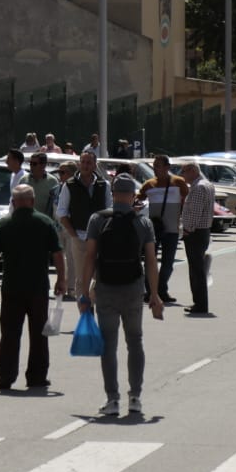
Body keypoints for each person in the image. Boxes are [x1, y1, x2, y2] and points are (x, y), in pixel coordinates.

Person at [77, 174, 163, 416]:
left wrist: (85, 292)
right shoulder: (143, 223)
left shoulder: (98, 219)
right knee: (135, 342)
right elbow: (151, 261)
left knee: (109, 345)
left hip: (106, 289)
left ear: (113, 194)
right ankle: (135, 397)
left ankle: (112, 400)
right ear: (133, 195)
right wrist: (155, 294)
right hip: (134, 289)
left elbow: (90, 256)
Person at [0, 185, 65, 390]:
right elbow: (57, 255)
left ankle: (6, 377)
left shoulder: (4, 224)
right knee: (38, 334)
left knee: (9, 333)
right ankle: (36, 376)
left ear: (13, 202)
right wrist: (61, 280)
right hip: (37, 288)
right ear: (33, 201)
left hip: (12, 288)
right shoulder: (45, 223)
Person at [55, 151, 111, 300]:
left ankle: (90, 302)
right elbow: (62, 212)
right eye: (83, 162)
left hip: (99, 239)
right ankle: (85, 314)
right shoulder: (69, 185)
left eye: (89, 162)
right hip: (78, 237)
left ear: (94, 165)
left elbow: (110, 210)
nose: (85, 165)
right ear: (79, 164)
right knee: (81, 279)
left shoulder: (104, 185)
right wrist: (73, 234)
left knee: (102, 276)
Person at [138, 154, 187, 304]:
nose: (154, 169)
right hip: (153, 229)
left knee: (168, 262)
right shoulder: (148, 184)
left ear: (167, 168)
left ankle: (161, 289)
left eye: (158, 166)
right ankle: (150, 291)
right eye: (154, 165)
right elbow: (138, 198)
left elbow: (187, 200)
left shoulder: (178, 183)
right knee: (149, 261)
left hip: (172, 229)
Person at [179, 161, 215, 314]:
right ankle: (199, 303)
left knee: (196, 271)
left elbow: (195, 213)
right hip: (202, 232)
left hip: (195, 233)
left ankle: (200, 304)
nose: (183, 176)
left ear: (193, 171)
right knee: (197, 269)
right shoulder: (206, 184)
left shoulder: (199, 187)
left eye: (184, 172)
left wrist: (187, 229)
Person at [23, 152, 58, 221]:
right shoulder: (23, 180)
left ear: (43, 165)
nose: (31, 166)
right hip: (25, 222)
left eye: (34, 164)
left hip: (44, 224)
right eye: (30, 163)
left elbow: (55, 206)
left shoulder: (53, 182)